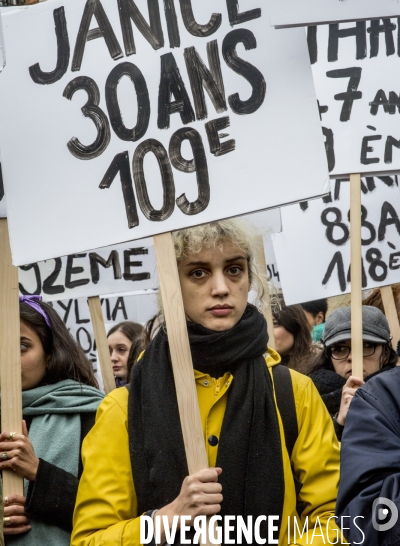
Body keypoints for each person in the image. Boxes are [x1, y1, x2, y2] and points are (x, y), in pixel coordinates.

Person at [72, 219, 342, 546]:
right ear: (172, 283)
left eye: (234, 269)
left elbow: (334, 519)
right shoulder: (123, 408)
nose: (221, 288)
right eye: (198, 273)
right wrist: (164, 519)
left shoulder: (293, 392)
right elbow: (90, 539)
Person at [0, 296, 104, 545]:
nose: (9, 359)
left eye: (22, 346)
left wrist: (38, 472)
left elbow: (110, 511)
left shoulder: (93, 413)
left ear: (49, 354)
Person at [308, 305, 397, 440]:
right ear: (328, 355)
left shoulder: (397, 393)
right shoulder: (308, 399)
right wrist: (339, 424)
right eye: (339, 348)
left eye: (366, 346)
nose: (352, 357)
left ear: (386, 351)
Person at [337, 366, 400, 545]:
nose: (349, 357)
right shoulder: (379, 397)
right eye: (339, 349)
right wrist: (338, 426)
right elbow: (364, 516)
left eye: (369, 346)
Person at [272, 297, 316, 373]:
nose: (267, 330)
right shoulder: (258, 367)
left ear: (295, 327)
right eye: (264, 324)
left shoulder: (316, 368)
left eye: (275, 324)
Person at [107, 321, 143, 386]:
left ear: (139, 350)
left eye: (121, 350)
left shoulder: (154, 390)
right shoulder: (106, 392)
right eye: (109, 351)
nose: (113, 358)